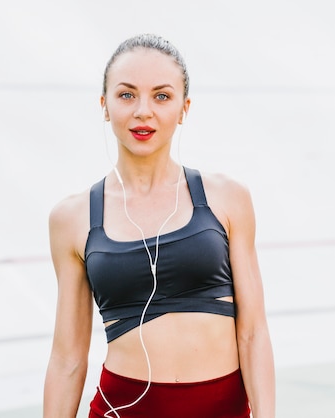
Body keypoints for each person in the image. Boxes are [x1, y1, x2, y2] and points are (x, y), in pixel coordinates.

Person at [43, 34, 275, 418]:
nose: (143, 112)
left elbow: (253, 333)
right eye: (127, 95)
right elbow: (67, 357)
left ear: (184, 108)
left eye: (162, 96)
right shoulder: (71, 218)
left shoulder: (228, 198)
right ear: (104, 105)